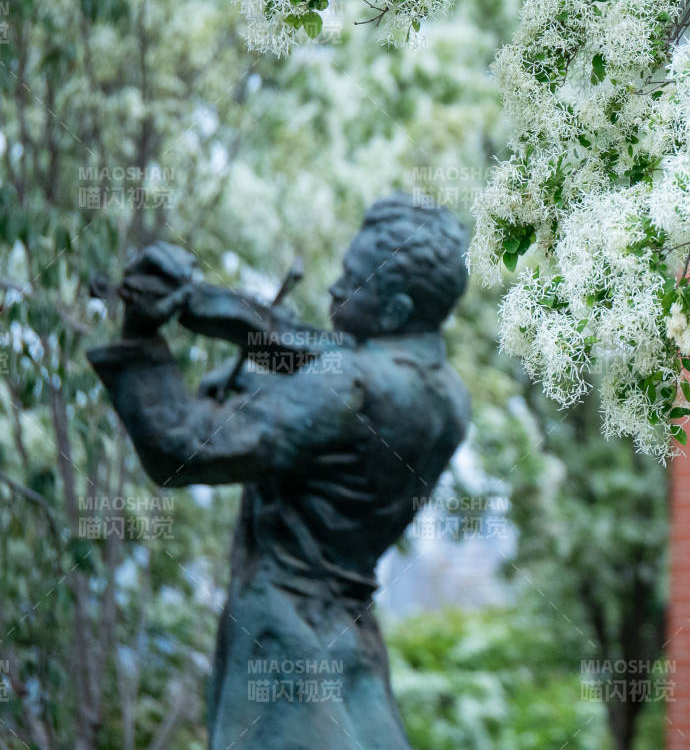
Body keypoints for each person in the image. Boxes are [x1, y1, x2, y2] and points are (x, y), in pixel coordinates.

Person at [89, 194, 472, 749]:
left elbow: (180, 448)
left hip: (282, 635)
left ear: (394, 311)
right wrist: (266, 354)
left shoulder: (348, 387)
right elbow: (329, 382)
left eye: (352, 280)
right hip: (352, 637)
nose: (334, 290)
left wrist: (140, 337)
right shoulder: (449, 398)